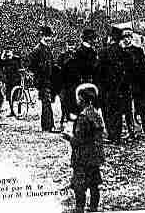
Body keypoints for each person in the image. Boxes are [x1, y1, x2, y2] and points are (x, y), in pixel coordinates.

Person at [62, 83, 105, 213]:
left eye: (78, 98)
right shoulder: (96, 114)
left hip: (83, 157)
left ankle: (79, 208)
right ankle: (93, 208)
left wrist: (68, 137)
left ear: (81, 99)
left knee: (79, 185)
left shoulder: (82, 117)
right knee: (94, 185)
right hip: (95, 155)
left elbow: (78, 141)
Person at [95, 27, 130, 144]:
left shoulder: (103, 52)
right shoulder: (123, 53)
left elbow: (98, 71)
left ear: (110, 38)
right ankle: (117, 136)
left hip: (106, 89)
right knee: (118, 112)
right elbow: (127, 72)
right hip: (120, 89)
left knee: (108, 112)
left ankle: (111, 134)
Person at [121, 28, 145, 138]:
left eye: (128, 37)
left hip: (138, 84)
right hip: (127, 85)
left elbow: (144, 67)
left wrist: (144, 82)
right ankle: (131, 132)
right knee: (129, 110)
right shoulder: (122, 52)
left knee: (142, 108)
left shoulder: (138, 51)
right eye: (124, 38)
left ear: (131, 38)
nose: (126, 40)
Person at [28, 25, 58, 132]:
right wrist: (40, 71)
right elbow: (31, 66)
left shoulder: (47, 49)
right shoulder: (37, 50)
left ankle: (48, 125)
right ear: (43, 37)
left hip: (48, 80)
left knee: (47, 102)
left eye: (49, 36)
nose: (49, 38)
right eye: (47, 36)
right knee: (46, 101)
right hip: (42, 80)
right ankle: (48, 126)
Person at [57, 40, 77, 128]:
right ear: (67, 46)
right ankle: (63, 118)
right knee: (64, 102)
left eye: (73, 46)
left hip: (74, 83)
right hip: (64, 83)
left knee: (73, 102)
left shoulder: (77, 56)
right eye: (69, 46)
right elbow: (58, 68)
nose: (71, 48)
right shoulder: (62, 56)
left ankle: (71, 120)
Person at [0, 46, 22, 117]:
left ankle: (19, 111)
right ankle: (12, 111)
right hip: (9, 80)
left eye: (9, 51)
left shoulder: (16, 59)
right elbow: (0, 63)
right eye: (7, 51)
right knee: (9, 97)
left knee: (18, 96)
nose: (8, 53)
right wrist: (3, 55)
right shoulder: (5, 60)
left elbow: (20, 67)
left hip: (16, 79)